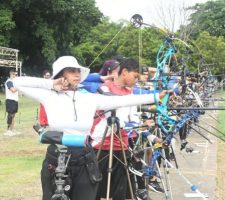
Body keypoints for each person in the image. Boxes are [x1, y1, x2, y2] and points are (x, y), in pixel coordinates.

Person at [12, 56, 167, 200]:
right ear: (60, 74)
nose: (77, 74)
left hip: (84, 157)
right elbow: (15, 82)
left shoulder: (88, 98)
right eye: (72, 71)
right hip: (57, 155)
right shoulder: (48, 95)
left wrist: (155, 96)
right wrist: (51, 84)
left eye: (78, 71)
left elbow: (125, 101)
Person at [4, 69, 19, 136]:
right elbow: (13, 90)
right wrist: (19, 87)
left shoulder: (15, 82)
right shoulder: (9, 82)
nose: (15, 76)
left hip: (15, 100)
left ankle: (12, 129)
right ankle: (8, 130)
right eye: (14, 74)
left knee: (13, 115)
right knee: (10, 115)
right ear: (11, 74)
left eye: (16, 75)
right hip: (10, 100)